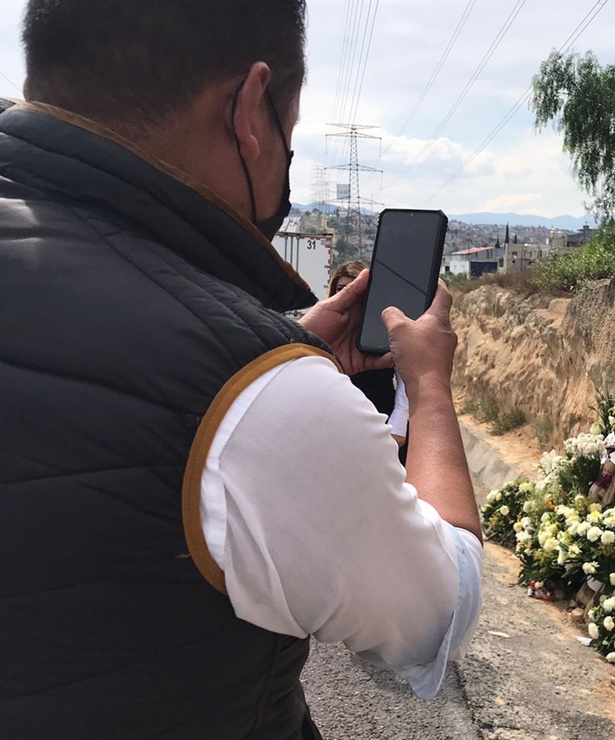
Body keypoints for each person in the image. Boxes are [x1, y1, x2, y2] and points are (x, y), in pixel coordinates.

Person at [0, 2, 482, 739]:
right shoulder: (255, 391)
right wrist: (430, 389)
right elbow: (437, 613)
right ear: (250, 111)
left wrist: (292, 347)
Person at [330, 260, 409, 452]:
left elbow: (405, 377)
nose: (347, 294)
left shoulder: (384, 327)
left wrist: (399, 423)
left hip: (381, 415)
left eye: (355, 288)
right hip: (337, 420)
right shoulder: (327, 327)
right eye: (341, 288)